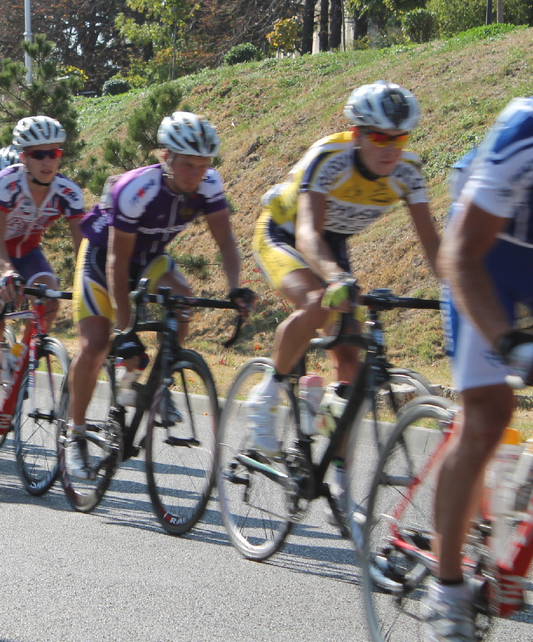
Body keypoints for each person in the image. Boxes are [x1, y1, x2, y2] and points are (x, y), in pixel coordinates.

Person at [244, 82, 441, 483]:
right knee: (318, 301)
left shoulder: (407, 173)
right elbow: (308, 237)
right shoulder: (329, 159)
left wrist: (460, 292)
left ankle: (336, 467)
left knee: (350, 358)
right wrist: (335, 276)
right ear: (357, 133)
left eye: (399, 137)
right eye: (380, 136)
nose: (390, 147)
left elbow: (435, 248)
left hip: (331, 245)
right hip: (285, 234)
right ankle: (266, 394)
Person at [63, 112, 253, 479]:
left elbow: (226, 241)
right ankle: (76, 434)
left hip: (149, 259)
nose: (196, 173)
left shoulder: (209, 184)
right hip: (103, 261)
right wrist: (126, 331)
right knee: (95, 345)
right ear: (166, 157)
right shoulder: (137, 188)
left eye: (203, 165)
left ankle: (159, 379)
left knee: (182, 298)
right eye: (187, 164)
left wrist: (235, 287)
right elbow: (117, 264)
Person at [426, 96, 533, 641]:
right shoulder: (524, 127)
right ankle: (444, 592)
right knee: (489, 415)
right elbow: (458, 256)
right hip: (485, 260)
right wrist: (509, 343)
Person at [0, 116, 85, 458]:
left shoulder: (68, 192)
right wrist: (5, 273)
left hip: (28, 251)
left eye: (54, 153)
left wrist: (93, 285)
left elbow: (83, 249)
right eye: (38, 154)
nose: (47, 161)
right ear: (24, 157)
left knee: (51, 294)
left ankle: (19, 358)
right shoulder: (6, 182)